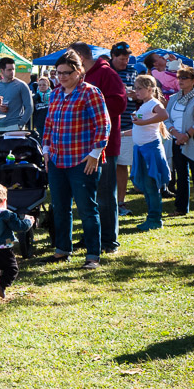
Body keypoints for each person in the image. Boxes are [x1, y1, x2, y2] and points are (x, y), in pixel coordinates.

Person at [43, 49, 110, 269]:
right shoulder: (54, 94)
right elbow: (49, 124)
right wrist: (46, 149)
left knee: (87, 209)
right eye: (58, 72)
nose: (61, 77)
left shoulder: (90, 92)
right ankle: (62, 249)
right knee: (60, 207)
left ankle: (93, 255)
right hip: (57, 159)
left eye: (66, 73)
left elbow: (103, 125)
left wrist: (95, 154)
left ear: (79, 71)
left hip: (83, 161)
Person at [71, 42, 126, 253]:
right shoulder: (81, 76)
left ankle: (109, 241)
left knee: (104, 195)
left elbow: (120, 104)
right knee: (87, 196)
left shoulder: (106, 73)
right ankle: (90, 236)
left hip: (104, 146)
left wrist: (90, 108)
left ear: (81, 58)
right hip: (80, 145)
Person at [165, 67, 194, 218]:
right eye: (179, 78)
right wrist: (176, 134)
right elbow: (166, 118)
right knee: (181, 176)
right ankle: (181, 208)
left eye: (185, 78)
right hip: (176, 141)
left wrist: (187, 135)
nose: (181, 81)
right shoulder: (173, 98)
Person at [130, 75, 170, 231]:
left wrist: (142, 122)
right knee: (146, 187)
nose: (136, 91)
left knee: (151, 186)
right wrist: (120, 133)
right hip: (141, 149)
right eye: (136, 87)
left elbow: (164, 115)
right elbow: (137, 125)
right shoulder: (144, 105)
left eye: (139, 88)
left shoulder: (154, 103)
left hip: (150, 150)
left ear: (150, 89)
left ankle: (155, 219)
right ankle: (151, 217)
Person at [109, 42, 138, 216]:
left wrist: (136, 94)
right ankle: (105, 201)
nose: (124, 62)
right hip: (108, 125)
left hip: (127, 124)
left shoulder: (132, 72)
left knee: (122, 165)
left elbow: (143, 92)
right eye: (121, 59)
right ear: (113, 57)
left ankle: (120, 202)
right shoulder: (107, 72)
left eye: (127, 59)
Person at [0, 57, 34, 132]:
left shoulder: (21, 85)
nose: (12, 72)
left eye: (13, 69)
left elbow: (29, 107)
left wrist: (21, 124)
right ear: (2, 70)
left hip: (15, 125)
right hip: (0, 126)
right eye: (9, 70)